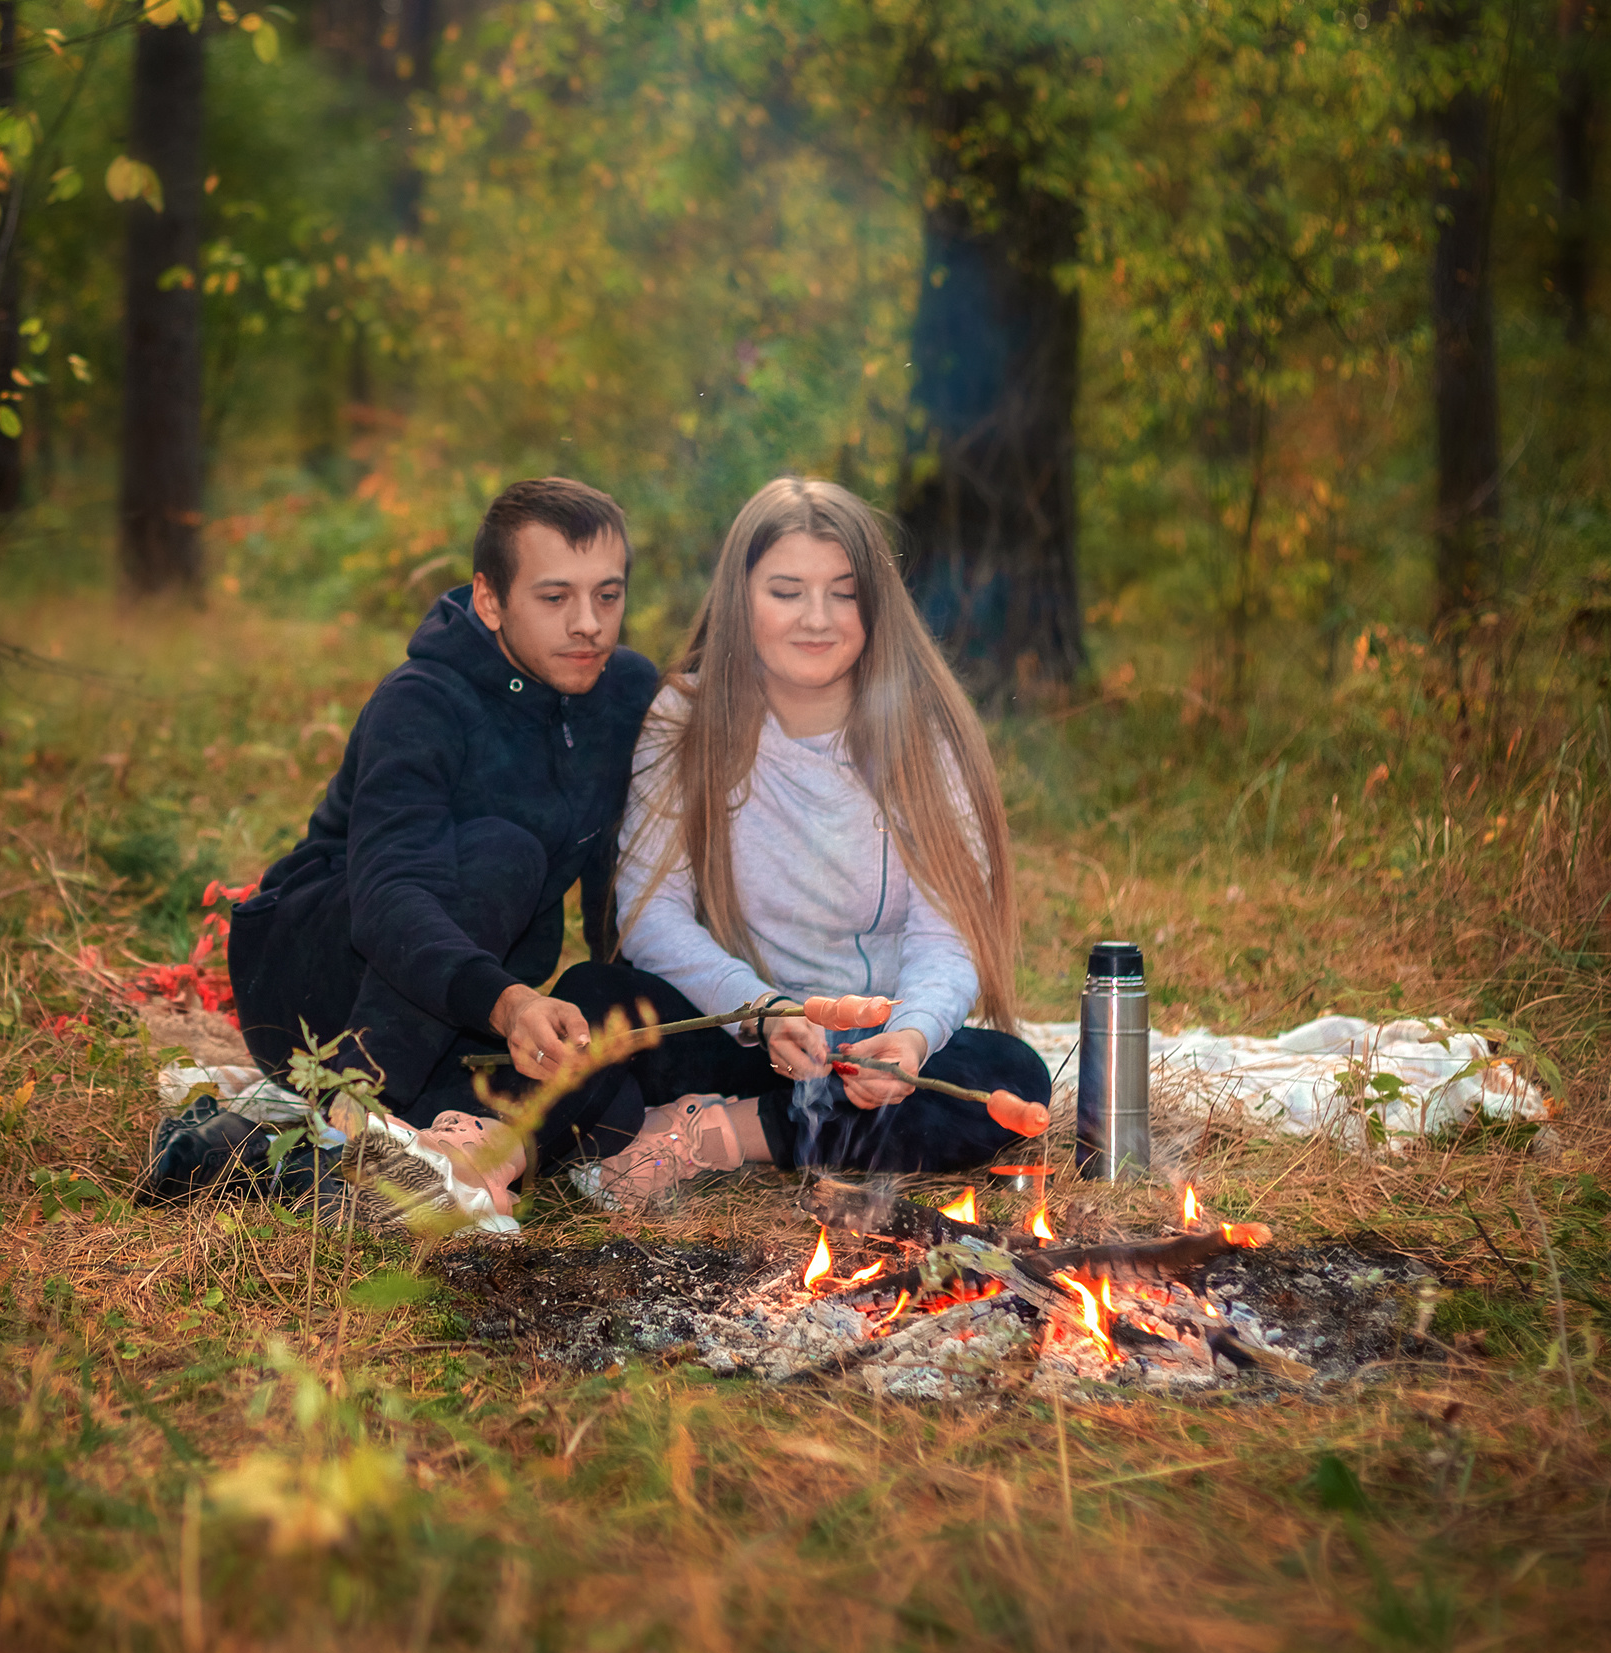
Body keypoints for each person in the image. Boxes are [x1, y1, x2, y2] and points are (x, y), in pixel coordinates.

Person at [141, 477, 662, 1223]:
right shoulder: (423, 700)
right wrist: (508, 1000)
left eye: (607, 596)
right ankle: (348, 1132)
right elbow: (388, 900)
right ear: (491, 600)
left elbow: (623, 882)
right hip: (320, 975)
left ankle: (242, 1147)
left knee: (610, 1092)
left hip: (458, 999)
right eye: (555, 598)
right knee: (505, 854)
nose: (589, 625)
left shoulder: (626, 694)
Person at [549, 475, 1053, 1209]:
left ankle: (722, 1136)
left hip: (872, 1060)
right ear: (740, 598)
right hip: (743, 1033)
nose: (817, 617)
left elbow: (949, 938)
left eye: (844, 593)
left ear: (875, 605)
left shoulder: (921, 731)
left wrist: (910, 1037)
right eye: (786, 591)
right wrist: (761, 1011)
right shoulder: (686, 718)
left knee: (1010, 1080)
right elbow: (650, 918)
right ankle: (760, 1119)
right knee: (590, 999)